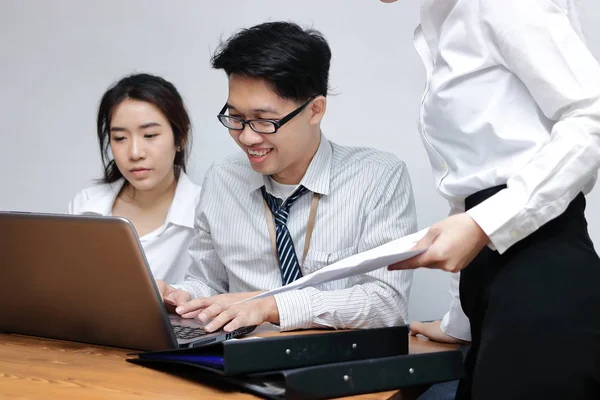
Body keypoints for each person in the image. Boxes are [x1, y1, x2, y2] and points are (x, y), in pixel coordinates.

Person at [380, 1, 600, 399]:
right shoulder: (444, 17)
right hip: (496, 286)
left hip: (543, 277)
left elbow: (593, 114)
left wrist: (484, 224)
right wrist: (459, 321)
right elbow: (473, 184)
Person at [157, 21, 417, 334]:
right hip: (237, 359)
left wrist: (271, 306)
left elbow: (386, 303)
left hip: (339, 366)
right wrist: (185, 297)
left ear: (315, 110)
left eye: (265, 121)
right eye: (236, 118)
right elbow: (209, 282)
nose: (248, 138)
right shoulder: (223, 178)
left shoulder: (378, 178)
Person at [69, 73, 201, 284]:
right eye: (120, 138)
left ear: (181, 137)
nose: (135, 153)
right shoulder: (87, 205)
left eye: (149, 135)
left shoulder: (202, 211)